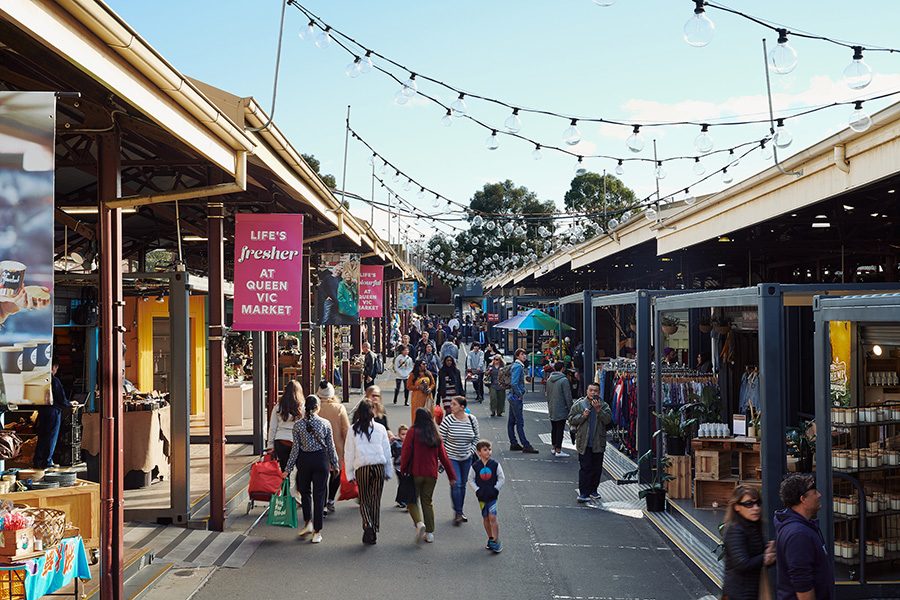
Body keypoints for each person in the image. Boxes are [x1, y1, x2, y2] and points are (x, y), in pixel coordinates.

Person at [282, 395, 340, 544]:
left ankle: (308, 522)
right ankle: (317, 532)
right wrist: (335, 463)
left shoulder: (298, 425)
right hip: (321, 460)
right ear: (317, 407)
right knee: (319, 495)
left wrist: (287, 469)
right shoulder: (325, 423)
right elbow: (331, 446)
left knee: (306, 493)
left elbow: (295, 449)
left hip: (304, 461)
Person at [400, 408, 456, 543]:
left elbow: (406, 452)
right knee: (427, 501)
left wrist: (403, 470)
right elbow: (444, 457)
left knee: (412, 500)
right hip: (431, 474)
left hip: (415, 472)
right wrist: (451, 476)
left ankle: (419, 523)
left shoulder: (412, 432)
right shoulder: (435, 434)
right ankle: (430, 533)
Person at [775, 473, 833, 600]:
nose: (819, 495)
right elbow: (802, 584)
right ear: (803, 499)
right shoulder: (798, 535)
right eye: (814, 492)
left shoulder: (800, 528)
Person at [344, 399, 393, 545]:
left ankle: (367, 524)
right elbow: (387, 450)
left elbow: (349, 453)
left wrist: (349, 473)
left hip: (362, 467)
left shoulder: (353, 429)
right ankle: (374, 528)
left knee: (364, 499)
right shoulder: (380, 428)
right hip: (378, 465)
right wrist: (388, 470)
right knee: (375, 499)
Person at [723, 485, 776, 600]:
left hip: (752, 590)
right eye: (749, 504)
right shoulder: (735, 530)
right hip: (739, 593)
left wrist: (769, 553)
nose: (756, 508)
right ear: (737, 507)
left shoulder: (753, 526)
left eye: (758, 503)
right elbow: (742, 563)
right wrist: (765, 557)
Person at [439, 396, 480, 526]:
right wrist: (442, 458)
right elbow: (441, 440)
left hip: (466, 457)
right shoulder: (448, 420)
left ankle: (460, 510)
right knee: (456, 483)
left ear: (462, 407)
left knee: (462, 485)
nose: (451, 406)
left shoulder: (472, 420)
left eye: (454, 404)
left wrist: (472, 451)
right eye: (451, 404)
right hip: (451, 457)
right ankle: (458, 512)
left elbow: (476, 438)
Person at [567, 382, 611, 502]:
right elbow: (571, 419)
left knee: (597, 468)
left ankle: (593, 490)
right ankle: (583, 492)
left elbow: (608, 420)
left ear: (599, 392)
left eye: (595, 391)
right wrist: (583, 416)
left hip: (598, 442)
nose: (593, 393)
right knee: (585, 468)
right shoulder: (580, 405)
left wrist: (599, 411)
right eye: (591, 390)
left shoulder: (604, 405)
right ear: (587, 391)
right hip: (584, 442)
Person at [33, 355, 74, 469]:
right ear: (54, 367)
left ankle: (38, 460)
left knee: (42, 436)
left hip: (42, 411)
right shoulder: (54, 380)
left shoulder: (40, 380)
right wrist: (70, 403)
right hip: (53, 411)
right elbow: (61, 399)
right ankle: (47, 462)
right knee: (51, 437)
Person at [315, 381, 349, 514]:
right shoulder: (339, 408)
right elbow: (346, 430)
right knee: (335, 473)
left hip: (318, 448)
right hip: (337, 446)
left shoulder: (315, 408)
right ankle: (330, 500)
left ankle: (322, 504)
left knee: (321, 477)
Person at [468, 439, 505, 553]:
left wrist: (496, 488)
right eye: (485, 450)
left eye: (489, 449)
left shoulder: (495, 465)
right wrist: (477, 490)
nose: (488, 452)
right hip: (482, 497)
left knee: (492, 517)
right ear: (479, 452)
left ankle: (496, 540)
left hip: (492, 496)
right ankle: (490, 538)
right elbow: (470, 479)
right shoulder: (475, 466)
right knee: (485, 517)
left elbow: (501, 478)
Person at [266, 380, 304, 470]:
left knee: (284, 470)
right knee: (301, 470)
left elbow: (272, 427)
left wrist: (270, 445)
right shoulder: (302, 407)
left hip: (281, 440)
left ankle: (285, 483)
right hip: (297, 441)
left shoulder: (278, 407)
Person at [508, 349, 538, 454]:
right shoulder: (518, 367)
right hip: (516, 397)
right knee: (519, 422)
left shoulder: (516, 366)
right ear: (517, 356)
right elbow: (514, 383)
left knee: (511, 421)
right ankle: (525, 444)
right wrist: (520, 394)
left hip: (512, 396)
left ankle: (514, 443)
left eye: (525, 354)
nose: (524, 356)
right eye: (522, 354)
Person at [545, 361, 573, 457]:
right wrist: (571, 408)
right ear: (562, 369)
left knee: (554, 428)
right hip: (561, 407)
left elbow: (547, 394)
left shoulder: (549, 379)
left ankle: (553, 447)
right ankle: (558, 449)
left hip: (552, 406)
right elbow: (567, 396)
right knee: (560, 428)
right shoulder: (564, 380)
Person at [406, 359, 435, 425]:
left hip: (427, 397)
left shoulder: (428, 373)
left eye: (425, 364)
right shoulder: (413, 375)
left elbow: (433, 383)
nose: (425, 365)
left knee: (429, 414)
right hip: (417, 398)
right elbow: (408, 386)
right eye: (423, 364)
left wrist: (430, 389)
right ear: (419, 366)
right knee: (417, 415)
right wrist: (418, 387)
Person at [392, 425, 409, 509]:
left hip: (407, 467)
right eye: (402, 434)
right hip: (398, 466)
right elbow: (390, 453)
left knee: (404, 483)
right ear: (398, 434)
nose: (404, 436)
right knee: (403, 482)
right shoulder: (396, 443)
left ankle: (400, 499)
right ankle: (404, 501)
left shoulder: (410, 442)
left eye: (406, 434)